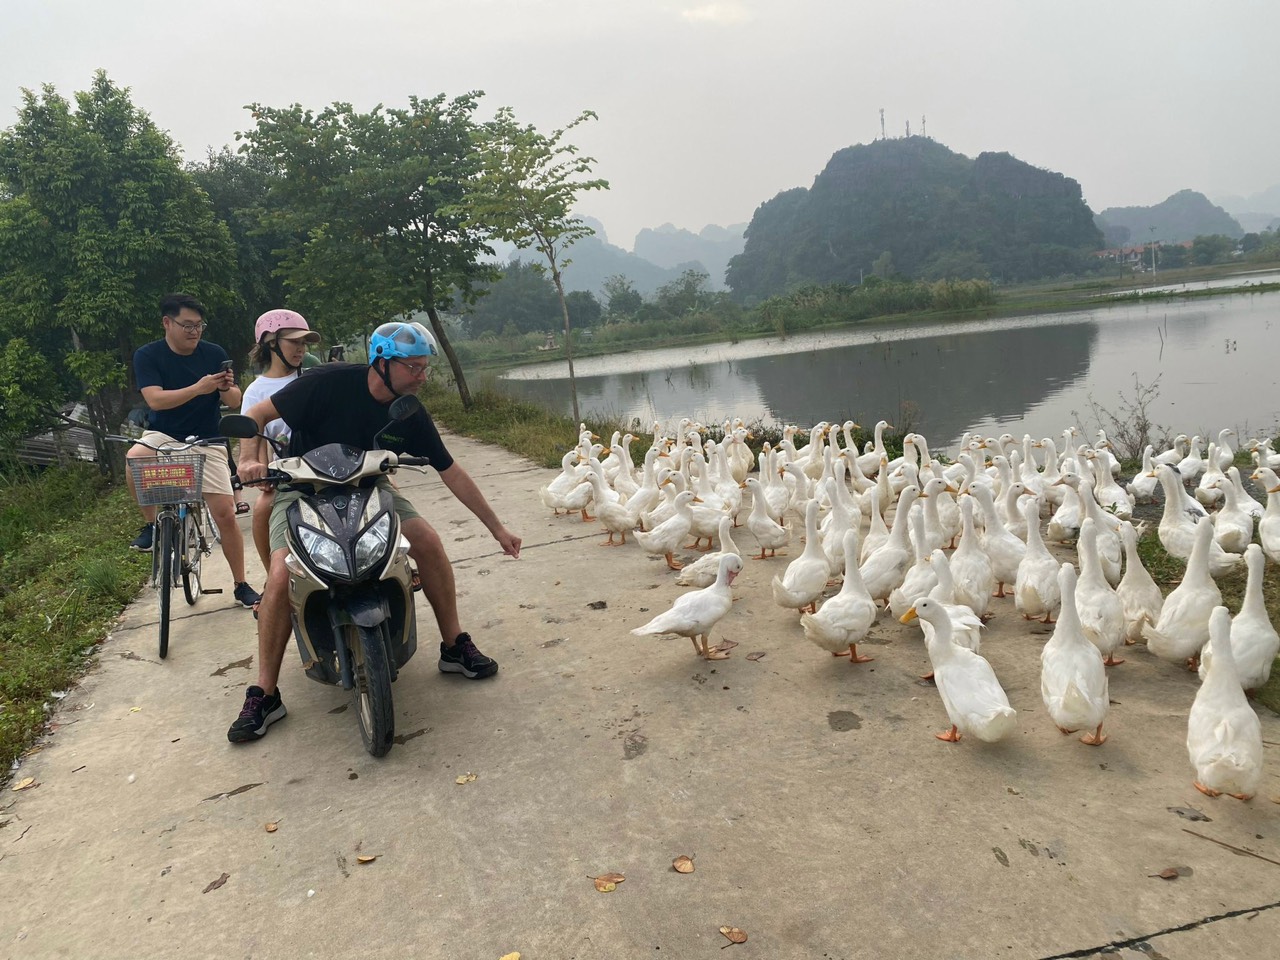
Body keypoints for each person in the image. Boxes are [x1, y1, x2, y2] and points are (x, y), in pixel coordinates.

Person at [228, 320, 522, 743]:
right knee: (280, 574)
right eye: (414, 368)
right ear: (382, 362)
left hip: (369, 486)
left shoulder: (408, 409)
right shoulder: (325, 383)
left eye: (425, 368)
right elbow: (255, 414)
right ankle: (265, 693)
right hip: (300, 488)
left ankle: (455, 645)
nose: (422, 377)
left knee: (427, 542)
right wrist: (248, 460)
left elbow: (449, 470)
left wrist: (498, 529)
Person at [127, 293, 262, 610]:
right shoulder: (148, 356)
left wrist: (226, 386)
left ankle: (241, 584)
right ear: (167, 323)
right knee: (134, 458)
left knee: (226, 514)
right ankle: (151, 526)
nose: (194, 331)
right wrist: (199, 388)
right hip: (163, 434)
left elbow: (233, 402)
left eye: (199, 325)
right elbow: (156, 401)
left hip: (208, 438)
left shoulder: (213, 353)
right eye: (187, 325)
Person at [239, 309, 321, 578]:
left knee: (386, 487)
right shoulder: (256, 391)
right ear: (271, 342)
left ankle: (398, 560)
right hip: (289, 474)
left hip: (331, 464)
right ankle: (272, 581)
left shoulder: (315, 377)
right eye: (294, 342)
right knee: (262, 509)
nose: (301, 349)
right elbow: (255, 438)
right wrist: (258, 470)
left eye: (304, 343)